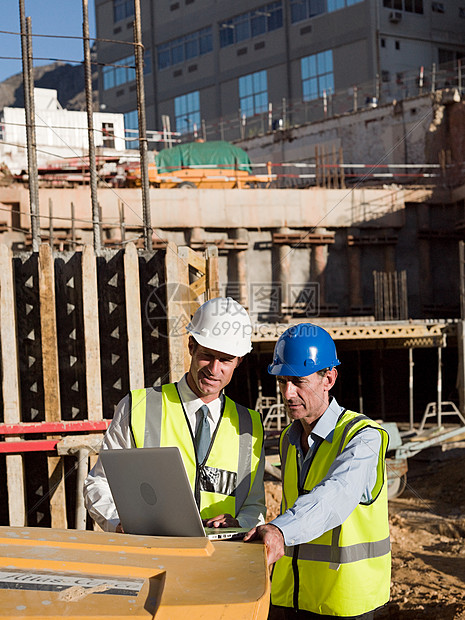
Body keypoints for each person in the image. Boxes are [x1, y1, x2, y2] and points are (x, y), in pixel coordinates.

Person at [245, 323, 390, 619]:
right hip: (292, 598)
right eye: (282, 381)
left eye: (299, 381)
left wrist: (280, 530)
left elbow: (334, 496)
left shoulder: (362, 437)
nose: (288, 393)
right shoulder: (288, 438)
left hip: (345, 603)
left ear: (329, 378)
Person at [84, 296, 265, 532]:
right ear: (191, 346)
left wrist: (240, 523)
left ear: (238, 361)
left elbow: (254, 505)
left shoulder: (249, 425)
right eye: (207, 355)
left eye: (225, 360)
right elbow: (99, 483)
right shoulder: (139, 407)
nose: (214, 369)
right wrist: (120, 523)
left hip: (221, 562)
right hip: (155, 558)